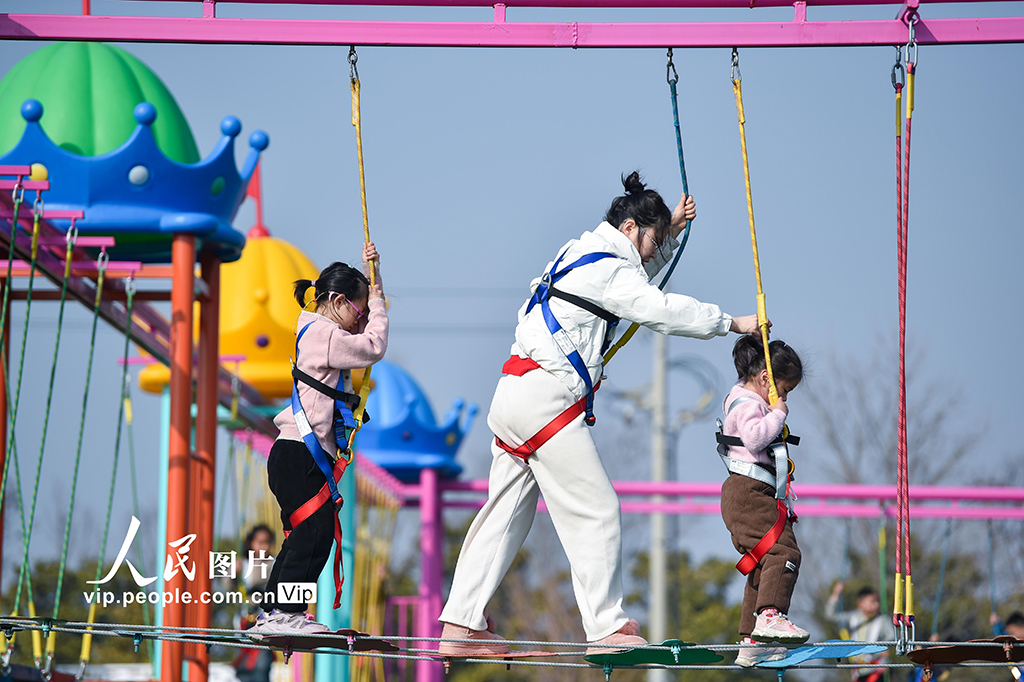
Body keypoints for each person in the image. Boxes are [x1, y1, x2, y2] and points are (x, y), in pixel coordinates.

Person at [437, 172, 761, 656]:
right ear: (629, 228)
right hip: (545, 401)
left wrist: (670, 226)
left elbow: (634, 273)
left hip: (514, 396)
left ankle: (461, 625)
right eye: (653, 241)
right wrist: (732, 323)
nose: (655, 252)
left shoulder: (579, 251)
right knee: (597, 510)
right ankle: (606, 628)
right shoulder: (610, 269)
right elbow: (658, 308)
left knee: (504, 515)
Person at [250, 242, 387, 638]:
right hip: (300, 454)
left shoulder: (315, 328)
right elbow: (374, 346)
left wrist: (375, 279)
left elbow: (366, 330)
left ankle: (274, 612)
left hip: (296, 454)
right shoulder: (325, 335)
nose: (360, 323)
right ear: (339, 301)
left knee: (306, 535)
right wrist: (378, 304)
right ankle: (284, 613)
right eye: (358, 314)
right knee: (314, 534)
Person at [718, 335, 806, 667]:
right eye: (784, 390)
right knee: (785, 553)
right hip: (749, 492)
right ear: (767, 378)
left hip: (748, 493)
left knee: (762, 560)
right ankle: (771, 615)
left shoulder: (741, 396)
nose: (784, 398)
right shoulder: (749, 405)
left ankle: (752, 640)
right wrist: (778, 413)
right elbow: (755, 439)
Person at [235, 525, 277, 682]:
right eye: (260, 542)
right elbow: (227, 586)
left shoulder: (274, 564)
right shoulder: (244, 564)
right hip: (244, 622)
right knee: (243, 667)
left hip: (266, 623)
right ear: (251, 543)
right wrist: (233, 572)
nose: (263, 547)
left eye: (267, 542)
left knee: (261, 666)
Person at [826, 583, 889, 682]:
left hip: (876, 668)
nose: (876, 604)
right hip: (857, 670)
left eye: (877, 601)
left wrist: (885, 649)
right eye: (872, 601)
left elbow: (891, 638)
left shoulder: (883, 620)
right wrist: (835, 594)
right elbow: (830, 615)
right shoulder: (853, 617)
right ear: (860, 603)